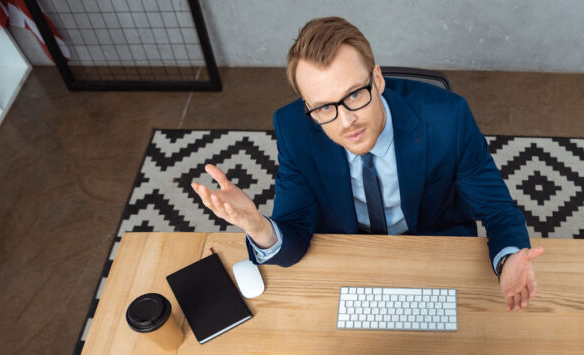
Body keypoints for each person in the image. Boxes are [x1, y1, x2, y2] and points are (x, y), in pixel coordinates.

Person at [191, 17, 543, 310]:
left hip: (433, 250)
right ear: (307, 106)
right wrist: (257, 226)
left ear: (377, 79)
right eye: (324, 107)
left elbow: (497, 209)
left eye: (355, 95)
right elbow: (294, 232)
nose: (346, 123)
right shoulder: (294, 127)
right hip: (347, 253)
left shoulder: (448, 117)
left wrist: (508, 258)